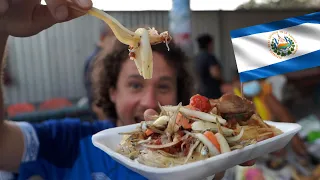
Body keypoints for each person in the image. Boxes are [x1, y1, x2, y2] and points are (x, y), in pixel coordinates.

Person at [0, 1, 254, 180]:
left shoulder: (198, 154)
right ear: (112, 91)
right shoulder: (71, 142)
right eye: (135, 85)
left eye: (163, 86)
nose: (149, 101)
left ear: (179, 94)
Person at [194, 34, 223, 99]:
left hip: (200, 91)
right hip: (212, 92)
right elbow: (215, 73)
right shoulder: (209, 57)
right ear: (209, 44)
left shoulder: (196, 58)